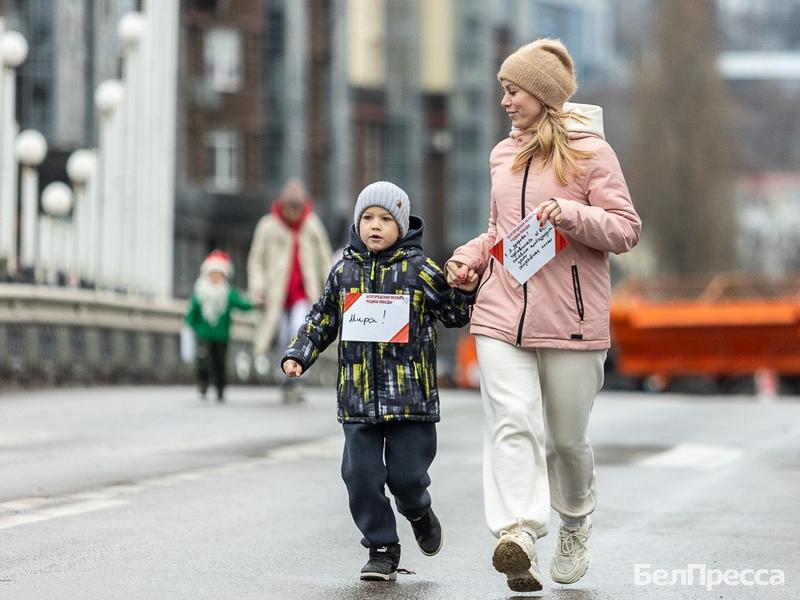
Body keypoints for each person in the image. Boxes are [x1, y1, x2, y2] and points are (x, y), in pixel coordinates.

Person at [445, 39, 641, 592]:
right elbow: (499, 232)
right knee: (511, 422)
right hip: (501, 313)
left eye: (513, 90)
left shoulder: (591, 154)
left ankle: (574, 524)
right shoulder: (501, 155)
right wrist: (469, 258)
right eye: (503, 90)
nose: (504, 101)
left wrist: (572, 214)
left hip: (571, 321)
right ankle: (519, 533)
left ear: (543, 94)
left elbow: (626, 228)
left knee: (565, 441)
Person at [281, 181, 477, 581]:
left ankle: (418, 509)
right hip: (358, 398)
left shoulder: (421, 270)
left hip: (410, 399)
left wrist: (466, 290)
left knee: (406, 477)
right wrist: (298, 353)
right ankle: (382, 547)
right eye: (367, 218)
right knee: (360, 476)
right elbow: (322, 318)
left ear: (401, 226)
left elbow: (454, 315)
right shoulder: (343, 271)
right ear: (357, 223)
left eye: (386, 219)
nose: (375, 226)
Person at [247, 178, 332, 403]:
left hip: (305, 292)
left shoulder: (312, 224)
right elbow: (256, 259)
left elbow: (325, 259)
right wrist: (258, 288)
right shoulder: (268, 225)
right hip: (276, 294)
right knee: (281, 335)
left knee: (299, 331)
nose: (293, 212)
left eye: (297, 207)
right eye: (290, 207)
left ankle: (299, 379)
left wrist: (330, 288)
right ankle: (285, 378)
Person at [185, 250, 253, 402]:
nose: (215, 277)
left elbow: (242, 304)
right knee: (203, 361)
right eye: (213, 273)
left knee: (220, 362)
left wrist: (255, 303)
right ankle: (203, 383)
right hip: (204, 334)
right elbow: (193, 311)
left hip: (222, 335)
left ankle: (220, 388)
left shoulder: (227, 293)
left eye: (219, 274)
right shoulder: (201, 293)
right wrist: (190, 326)